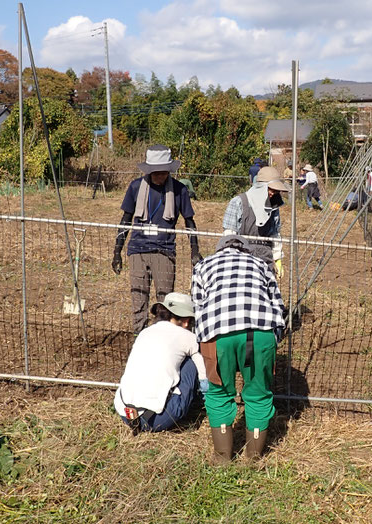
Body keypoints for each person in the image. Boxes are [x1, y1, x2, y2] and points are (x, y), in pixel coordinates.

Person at [191, 235, 285, 464]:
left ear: (219, 249)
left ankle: (222, 457)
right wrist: (274, 339)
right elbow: (278, 305)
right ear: (246, 250)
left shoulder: (203, 265)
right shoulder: (261, 265)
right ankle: (253, 458)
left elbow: (198, 305)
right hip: (259, 333)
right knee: (258, 394)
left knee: (219, 393)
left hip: (217, 333)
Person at [113, 145, 202, 333]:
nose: (159, 176)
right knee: (139, 296)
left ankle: (163, 335)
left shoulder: (179, 190)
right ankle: (140, 335)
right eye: (156, 173)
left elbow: (189, 221)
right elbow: (125, 219)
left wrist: (195, 251)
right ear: (149, 171)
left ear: (169, 171)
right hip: (138, 249)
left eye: (163, 173)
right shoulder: (136, 187)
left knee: (164, 300)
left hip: (165, 250)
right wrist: (117, 251)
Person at [113, 292, 208, 432]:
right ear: (186, 320)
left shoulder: (145, 332)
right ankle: (195, 404)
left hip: (125, 413)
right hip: (156, 420)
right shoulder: (188, 337)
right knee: (191, 362)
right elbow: (203, 374)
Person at [222, 166, 290, 277]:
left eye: (276, 191)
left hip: (265, 258)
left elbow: (275, 234)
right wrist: (231, 259)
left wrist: (277, 259)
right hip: (242, 256)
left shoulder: (273, 207)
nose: (274, 193)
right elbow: (229, 235)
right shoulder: (239, 203)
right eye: (271, 189)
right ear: (261, 187)